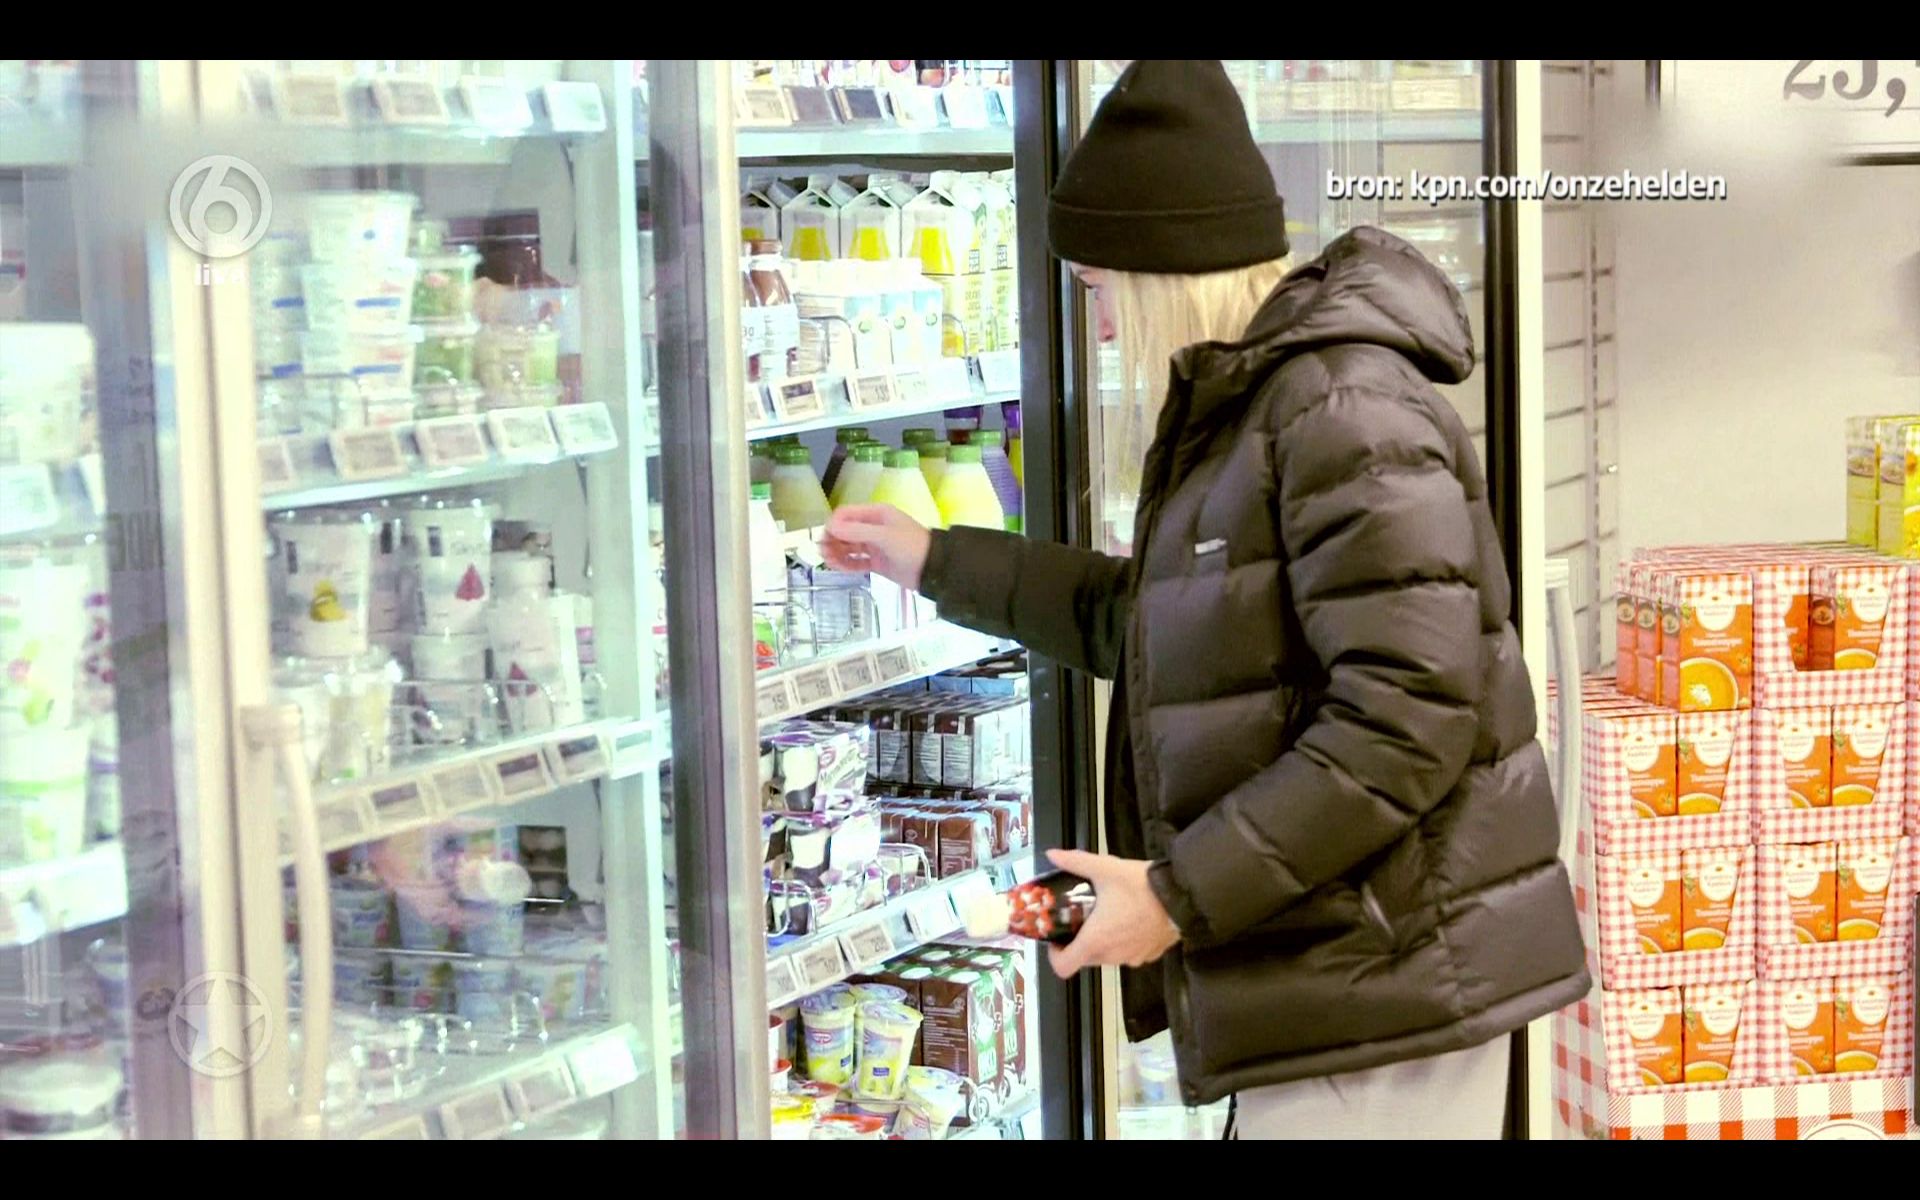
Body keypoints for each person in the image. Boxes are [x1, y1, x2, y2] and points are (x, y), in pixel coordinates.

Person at [822, 59, 1590, 1140]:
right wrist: (937, 561)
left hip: (1389, 985)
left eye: (1099, 291)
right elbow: (1166, 632)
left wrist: (1178, 894)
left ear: (1164, 270)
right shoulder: (1260, 404)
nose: (1098, 328)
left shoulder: (1343, 412)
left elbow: (1404, 722)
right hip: (1339, 967)